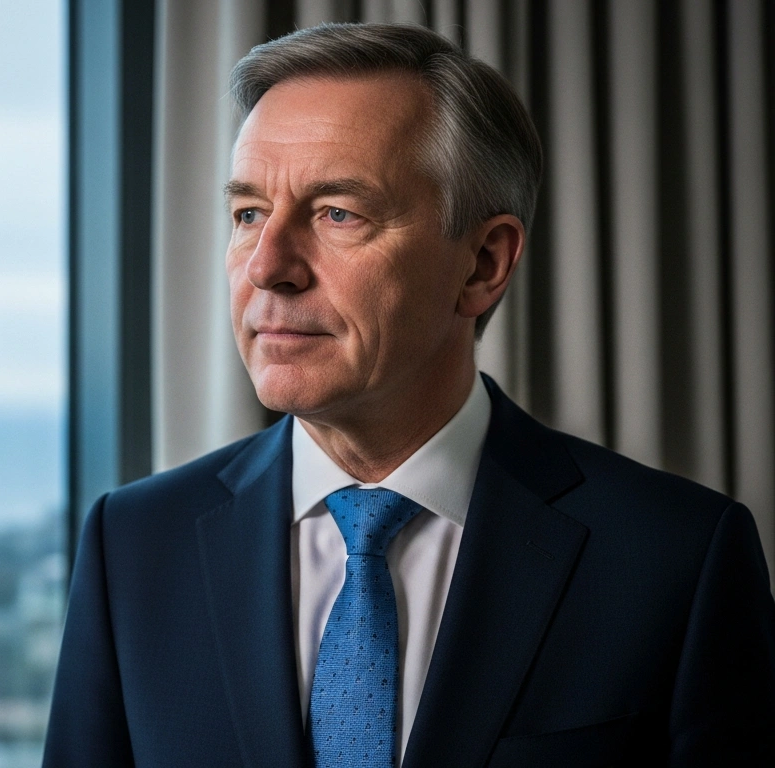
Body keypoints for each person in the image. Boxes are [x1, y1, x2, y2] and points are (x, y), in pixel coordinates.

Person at [42, 22, 775, 767]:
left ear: (483, 264)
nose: (268, 267)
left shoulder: (676, 557)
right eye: (249, 214)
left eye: (338, 213)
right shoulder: (133, 546)